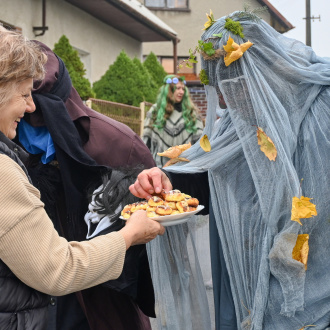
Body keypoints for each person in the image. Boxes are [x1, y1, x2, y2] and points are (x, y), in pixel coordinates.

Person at [129, 9, 330, 330]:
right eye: (218, 87)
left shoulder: (322, 107)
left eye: (232, 85)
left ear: (262, 68)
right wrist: (165, 180)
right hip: (255, 266)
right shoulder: (242, 118)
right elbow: (214, 171)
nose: (222, 101)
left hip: (319, 269)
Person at [0, 25, 164, 329]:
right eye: (23, 94)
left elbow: (158, 212)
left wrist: (143, 188)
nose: (30, 107)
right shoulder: (7, 160)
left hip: (101, 300)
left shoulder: (117, 143)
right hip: (39, 296)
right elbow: (57, 267)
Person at [142, 74, 204, 167]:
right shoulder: (156, 110)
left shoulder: (191, 112)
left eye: (183, 89)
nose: (181, 92)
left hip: (185, 166)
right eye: (178, 88)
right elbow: (146, 140)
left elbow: (200, 141)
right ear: (169, 90)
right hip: (159, 166)